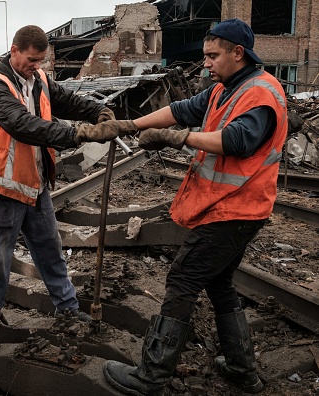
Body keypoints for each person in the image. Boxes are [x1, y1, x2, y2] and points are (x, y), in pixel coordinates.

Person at [102, 18, 288, 395]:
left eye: (212, 56)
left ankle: (151, 376)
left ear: (239, 53)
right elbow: (181, 109)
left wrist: (176, 138)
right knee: (218, 283)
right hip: (227, 206)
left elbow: (237, 140)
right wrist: (129, 125)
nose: (205, 63)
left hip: (236, 209)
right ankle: (242, 369)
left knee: (183, 279)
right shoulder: (225, 87)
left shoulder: (261, 94)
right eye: (205, 56)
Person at [0, 24, 130, 353]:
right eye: (32, 59)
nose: (37, 66)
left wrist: (96, 111)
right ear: (14, 50)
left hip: (36, 183)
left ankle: (68, 309)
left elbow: (66, 100)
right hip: (4, 189)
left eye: (41, 60)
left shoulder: (40, 79)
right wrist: (78, 134)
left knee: (50, 249)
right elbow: (22, 125)